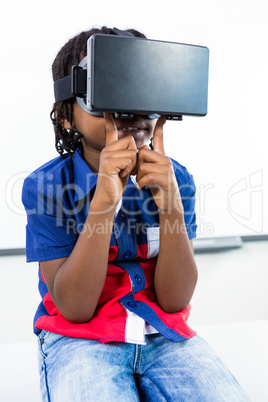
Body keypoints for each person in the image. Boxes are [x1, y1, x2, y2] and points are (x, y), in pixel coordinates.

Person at [22, 26, 250, 401]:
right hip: (81, 338)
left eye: (143, 89)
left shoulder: (178, 180)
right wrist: (104, 203)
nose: (130, 109)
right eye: (108, 91)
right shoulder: (45, 187)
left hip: (163, 333)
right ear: (66, 115)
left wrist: (171, 205)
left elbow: (175, 300)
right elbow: (75, 309)